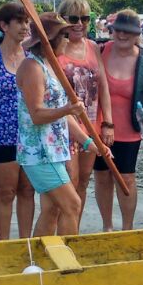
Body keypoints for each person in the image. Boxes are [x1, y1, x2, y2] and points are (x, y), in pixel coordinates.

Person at [17, 15, 107, 237]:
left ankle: (40, 255)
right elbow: (37, 115)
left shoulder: (50, 65)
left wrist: (88, 142)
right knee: (72, 205)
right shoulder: (32, 67)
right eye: (64, 35)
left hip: (54, 150)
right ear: (51, 40)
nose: (68, 40)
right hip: (39, 153)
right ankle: (69, 254)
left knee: (52, 209)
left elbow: (64, 116)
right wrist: (67, 109)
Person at [93, 10, 143, 231]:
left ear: (137, 34)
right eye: (118, 30)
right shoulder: (101, 51)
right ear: (112, 30)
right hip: (99, 127)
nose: (122, 35)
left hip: (129, 129)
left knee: (127, 178)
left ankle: (127, 228)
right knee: (102, 177)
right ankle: (107, 227)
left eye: (128, 32)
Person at [0, 2, 36, 240]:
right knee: (6, 193)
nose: (25, 27)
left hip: (29, 135)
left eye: (27, 22)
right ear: (4, 25)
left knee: (27, 190)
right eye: (19, 22)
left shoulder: (31, 57)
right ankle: (3, 244)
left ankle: (25, 243)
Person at [54, 0, 113, 227]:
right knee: (69, 182)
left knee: (84, 182)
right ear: (62, 19)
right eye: (73, 18)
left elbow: (103, 85)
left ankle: (74, 232)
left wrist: (107, 122)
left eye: (85, 18)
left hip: (91, 124)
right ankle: (62, 235)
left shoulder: (92, 46)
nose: (79, 24)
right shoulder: (55, 48)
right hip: (65, 127)